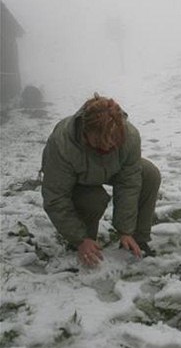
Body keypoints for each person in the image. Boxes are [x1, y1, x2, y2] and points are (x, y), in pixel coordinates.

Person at [41, 94, 161, 267]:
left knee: (149, 174)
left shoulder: (130, 136)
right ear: (85, 130)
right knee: (94, 199)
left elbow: (129, 183)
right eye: (98, 141)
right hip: (77, 178)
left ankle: (136, 240)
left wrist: (125, 230)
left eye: (113, 142)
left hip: (110, 169)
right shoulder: (62, 143)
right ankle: (83, 243)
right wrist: (80, 238)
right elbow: (55, 197)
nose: (106, 147)